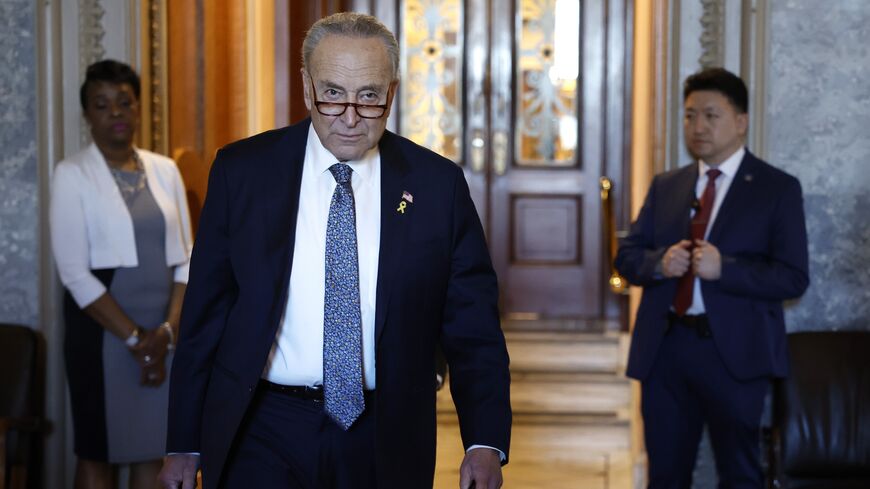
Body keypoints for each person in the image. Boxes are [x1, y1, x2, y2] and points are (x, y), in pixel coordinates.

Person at [158, 12, 511, 489]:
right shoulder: (243, 173)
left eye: (368, 97)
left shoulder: (436, 186)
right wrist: (183, 442)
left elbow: (473, 327)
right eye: (332, 94)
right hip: (261, 425)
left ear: (391, 92)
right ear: (307, 88)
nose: (349, 117)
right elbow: (205, 317)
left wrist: (484, 441)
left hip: (384, 430)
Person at [615, 67, 809, 488]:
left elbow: (793, 278)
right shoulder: (668, 185)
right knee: (665, 475)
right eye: (689, 116)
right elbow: (626, 256)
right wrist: (658, 263)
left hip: (736, 356)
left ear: (741, 121)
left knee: (740, 473)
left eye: (710, 115)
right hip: (666, 351)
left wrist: (728, 269)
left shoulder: (776, 189)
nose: (697, 126)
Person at [50, 59, 193, 489]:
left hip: (163, 336)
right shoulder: (71, 174)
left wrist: (165, 334)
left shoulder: (165, 169)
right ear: (87, 115)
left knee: (153, 449)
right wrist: (136, 340)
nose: (115, 112)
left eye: (124, 102)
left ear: (136, 109)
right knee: (98, 452)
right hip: (103, 338)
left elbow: (187, 259)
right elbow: (75, 274)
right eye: (102, 104)